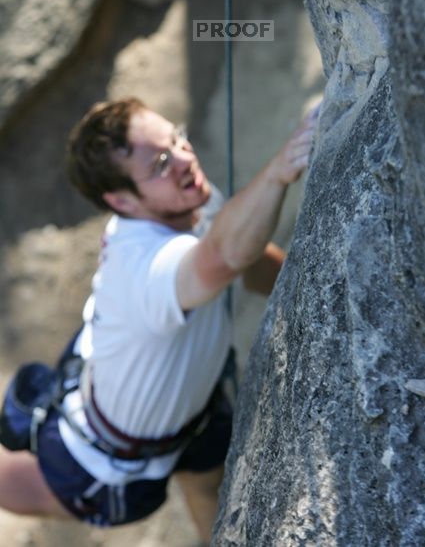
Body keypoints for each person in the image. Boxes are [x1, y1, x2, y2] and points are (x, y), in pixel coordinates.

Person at [0, 97, 318, 543]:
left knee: (209, 481)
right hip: (106, 458)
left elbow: (244, 253)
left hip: (192, 407)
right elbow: (224, 256)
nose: (185, 160)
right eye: (160, 164)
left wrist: (311, 282)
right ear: (121, 201)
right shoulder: (145, 265)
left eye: (177, 138)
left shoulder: (191, 203)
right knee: (11, 485)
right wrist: (283, 166)